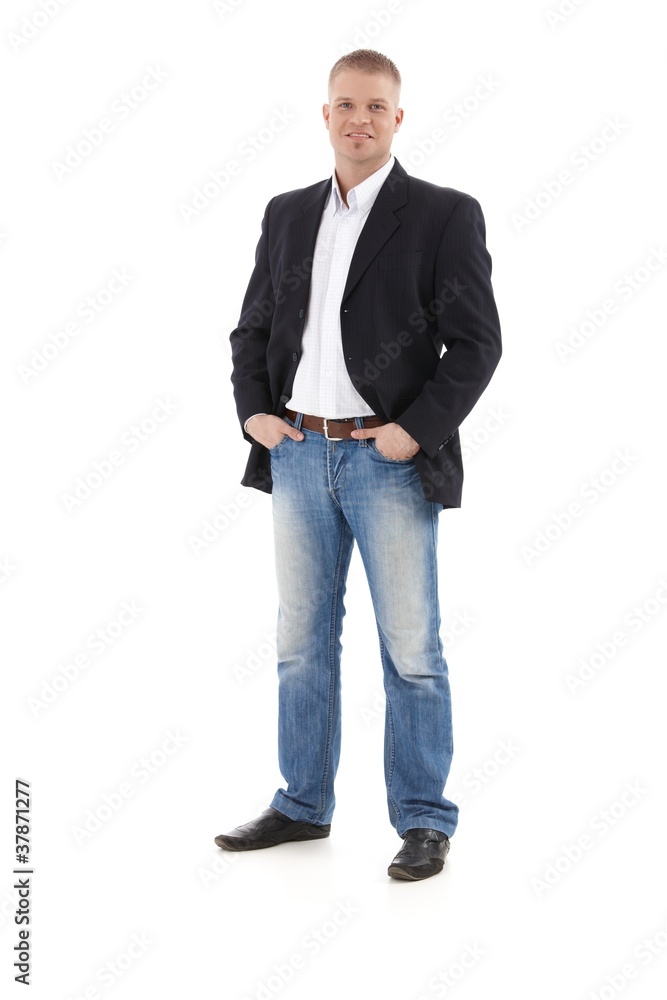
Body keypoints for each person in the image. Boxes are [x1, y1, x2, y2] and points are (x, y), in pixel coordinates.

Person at [216, 48, 502, 881]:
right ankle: (302, 804)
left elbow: (477, 344)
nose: (359, 119)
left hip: (387, 460)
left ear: (397, 118)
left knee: (411, 649)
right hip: (298, 455)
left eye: (376, 106)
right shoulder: (286, 213)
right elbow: (251, 330)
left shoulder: (444, 214)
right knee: (300, 642)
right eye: (345, 104)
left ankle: (423, 819)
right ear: (325, 113)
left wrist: (414, 430)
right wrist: (254, 413)